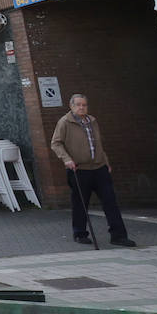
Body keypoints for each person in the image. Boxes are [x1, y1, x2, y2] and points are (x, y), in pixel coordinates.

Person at [50, 93, 136, 248]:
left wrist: (106, 162)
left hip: (99, 168)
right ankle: (80, 233)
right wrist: (66, 159)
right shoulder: (65, 122)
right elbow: (56, 143)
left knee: (110, 201)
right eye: (78, 105)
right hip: (79, 169)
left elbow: (98, 144)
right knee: (80, 203)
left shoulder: (92, 121)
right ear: (71, 106)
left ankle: (118, 236)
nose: (81, 107)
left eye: (84, 105)